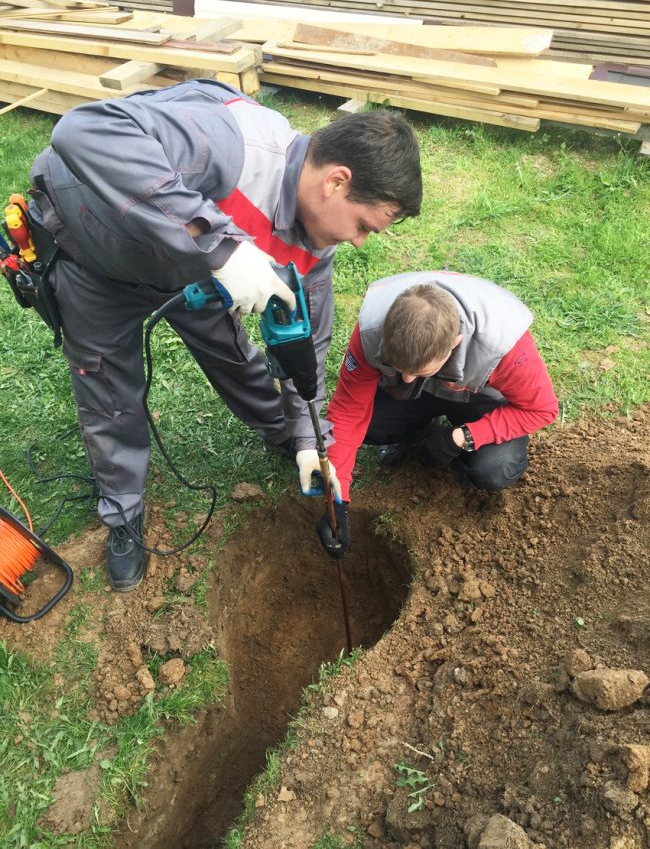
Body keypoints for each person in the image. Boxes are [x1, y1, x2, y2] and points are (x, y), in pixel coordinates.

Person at [27, 79, 422, 591]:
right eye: (365, 225)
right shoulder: (232, 147)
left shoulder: (315, 243)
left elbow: (307, 350)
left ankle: (288, 437)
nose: (360, 241)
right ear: (336, 182)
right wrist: (224, 249)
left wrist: (309, 439)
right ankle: (123, 512)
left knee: (237, 356)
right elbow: (83, 130)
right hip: (96, 251)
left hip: (192, 265)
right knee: (108, 389)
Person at [316, 270, 559, 559]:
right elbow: (347, 410)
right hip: (420, 396)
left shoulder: (503, 345)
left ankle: (460, 453)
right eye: (397, 366)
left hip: (479, 396)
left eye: (417, 370)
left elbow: (542, 409)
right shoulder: (372, 332)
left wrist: (463, 437)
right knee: (370, 424)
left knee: (495, 468)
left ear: (454, 343)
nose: (405, 378)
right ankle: (420, 432)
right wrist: (338, 496)